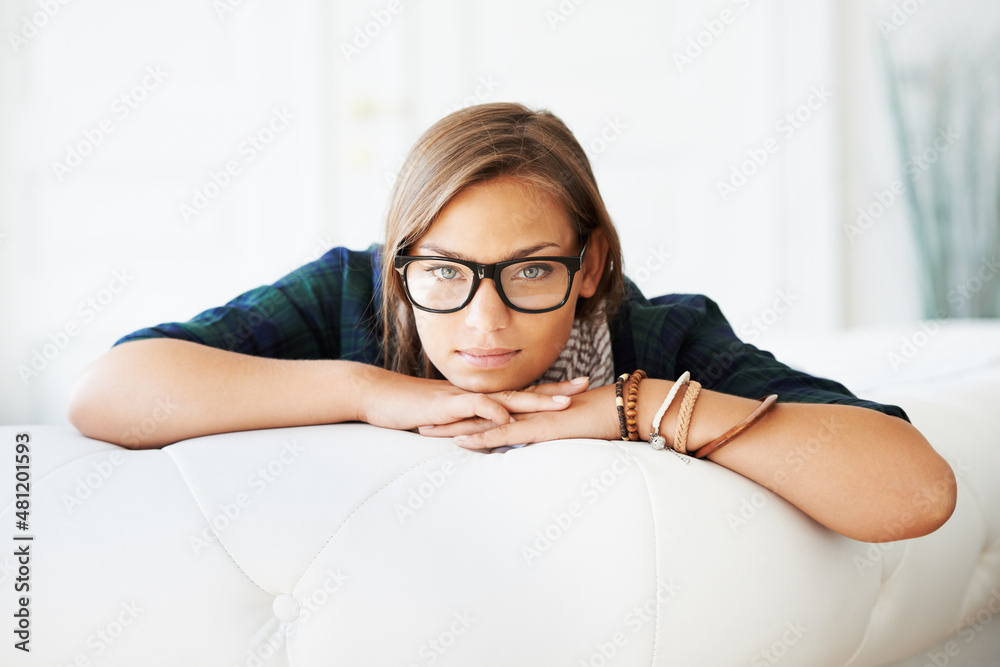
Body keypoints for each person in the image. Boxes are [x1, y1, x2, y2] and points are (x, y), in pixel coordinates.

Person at [66, 102, 956, 543]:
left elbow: (915, 491)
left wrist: (633, 407)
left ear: (590, 264)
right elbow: (108, 393)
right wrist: (370, 393)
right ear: (403, 262)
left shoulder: (652, 333)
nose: (483, 320)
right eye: (447, 273)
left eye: (531, 270)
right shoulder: (354, 293)